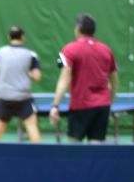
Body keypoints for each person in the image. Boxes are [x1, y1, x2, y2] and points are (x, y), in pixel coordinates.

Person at [49, 13, 118, 142]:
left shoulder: (69, 49)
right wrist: (110, 103)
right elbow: (114, 81)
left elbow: (64, 80)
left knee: (74, 148)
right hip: (102, 106)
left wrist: (55, 106)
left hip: (80, 106)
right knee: (96, 148)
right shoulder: (107, 50)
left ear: (78, 28)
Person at [0, 26, 42, 142]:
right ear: (23, 37)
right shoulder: (31, 54)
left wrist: (4, 79)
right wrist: (27, 74)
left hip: (4, 97)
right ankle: (39, 152)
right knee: (32, 126)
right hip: (23, 98)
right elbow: (37, 77)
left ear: (9, 37)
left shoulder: (0, 52)